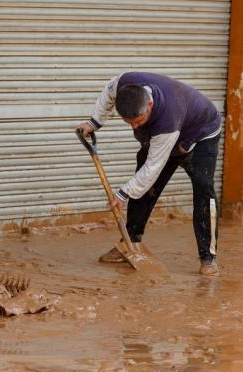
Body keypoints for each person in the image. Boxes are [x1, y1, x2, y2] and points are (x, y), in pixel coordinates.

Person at [76, 72, 221, 276]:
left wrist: (122, 194)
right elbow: (108, 93)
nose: (134, 127)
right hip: (163, 135)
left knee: (204, 191)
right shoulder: (123, 84)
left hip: (200, 134)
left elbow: (153, 167)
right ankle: (131, 243)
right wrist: (94, 123)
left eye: (138, 121)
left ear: (150, 105)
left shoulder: (167, 120)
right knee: (144, 189)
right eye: (129, 122)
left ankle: (208, 258)